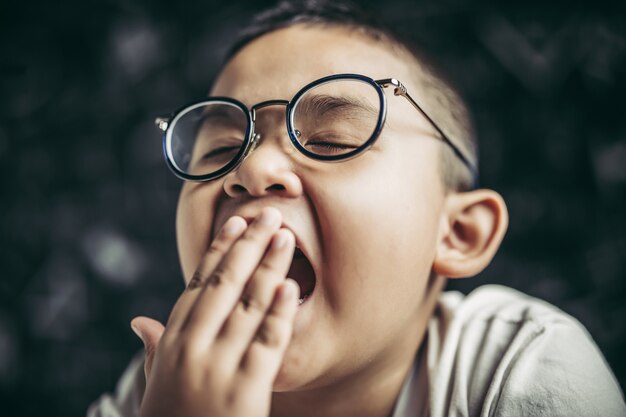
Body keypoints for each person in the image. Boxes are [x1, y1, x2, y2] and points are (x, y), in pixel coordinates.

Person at [88, 1, 626, 416]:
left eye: (329, 140)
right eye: (222, 150)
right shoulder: (157, 385)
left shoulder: (518, 369)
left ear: (459, 233)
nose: (251, 171)